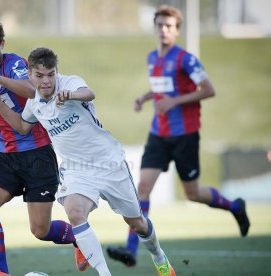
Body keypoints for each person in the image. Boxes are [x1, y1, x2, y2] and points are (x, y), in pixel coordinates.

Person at [0, 46, 176, 276]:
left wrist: (71, 95)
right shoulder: (34, 103)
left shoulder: (69, 84)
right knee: (74, 212)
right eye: (39, 76)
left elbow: (88, 93)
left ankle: (159, 257)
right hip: (77, 170)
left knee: (137, 223)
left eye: (50, 74)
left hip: (109, 164)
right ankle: (104, 274)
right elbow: (22, 127)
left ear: (56, 72)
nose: (46, 81)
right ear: (30, 75)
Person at [106, 5, 251, 268]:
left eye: (169, 26)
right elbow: (161, 87)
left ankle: (235, 207)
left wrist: (174, 103)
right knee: (142, 188)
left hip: (185, 135)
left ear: (177, 30)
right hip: (158, 134)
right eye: (160, 25)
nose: (164, 30)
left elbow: (208, 90)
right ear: (155, 27)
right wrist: (145, 97)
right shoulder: (153, 58)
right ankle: (131, 250)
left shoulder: (186, 59)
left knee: (193, 193)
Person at [0, 17, 87, 276]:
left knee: (40, 231)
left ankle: (80, 240)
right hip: (6, 155)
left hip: (37, 155)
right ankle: (1, 271)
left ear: (2, 43)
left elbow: (32, 90)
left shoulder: (14, 65)